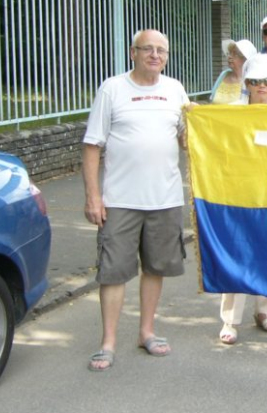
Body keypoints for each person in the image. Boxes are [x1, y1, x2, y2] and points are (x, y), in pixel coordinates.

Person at [83, 29, 188, 371]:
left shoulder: (175, 90)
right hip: (120, 200)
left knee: (155, 268)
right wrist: (93, 197)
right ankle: (108, 342)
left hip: (165, 197)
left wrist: (201, 122)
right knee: (113, 273)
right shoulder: (112, 88)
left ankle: (146, 332)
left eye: (162, 50)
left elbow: (187, 140)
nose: (155, 55)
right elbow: (92, 146)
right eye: (148, 49)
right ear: (133, 53)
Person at [218, 54, 267, 344]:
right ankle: (229, 320)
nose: (262, 86)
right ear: (246, 83)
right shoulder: (231, 111)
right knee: (237, 253)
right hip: (240, 192)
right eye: (255, 81)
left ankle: (264, 310)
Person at [209, 39, 257, 104]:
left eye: (235, 54)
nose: (229, 57)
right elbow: (211, 100)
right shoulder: (224, 75)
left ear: (245, 60)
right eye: (230, 53)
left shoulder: (251, 81)